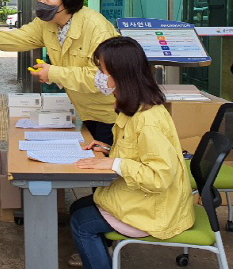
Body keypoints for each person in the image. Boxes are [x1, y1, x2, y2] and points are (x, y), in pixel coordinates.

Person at [69, 36, 195, 269]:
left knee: (81, 222)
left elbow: (159, 176)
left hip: (156, 208)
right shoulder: (134, 106)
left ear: (122, 75)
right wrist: (107, 150)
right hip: (144, 198)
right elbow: (138, 152)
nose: (99, 77)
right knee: (77, 207)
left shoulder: (147, 120)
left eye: (103, 71)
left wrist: (115, 164)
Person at [0, 0, 119, 144]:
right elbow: (20, 37)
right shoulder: (47, 23)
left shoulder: (96, 28)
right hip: (86, 110)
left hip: (112, 114)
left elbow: (104, 78)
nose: (41, 2)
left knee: (106, 164)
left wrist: (52, 73)